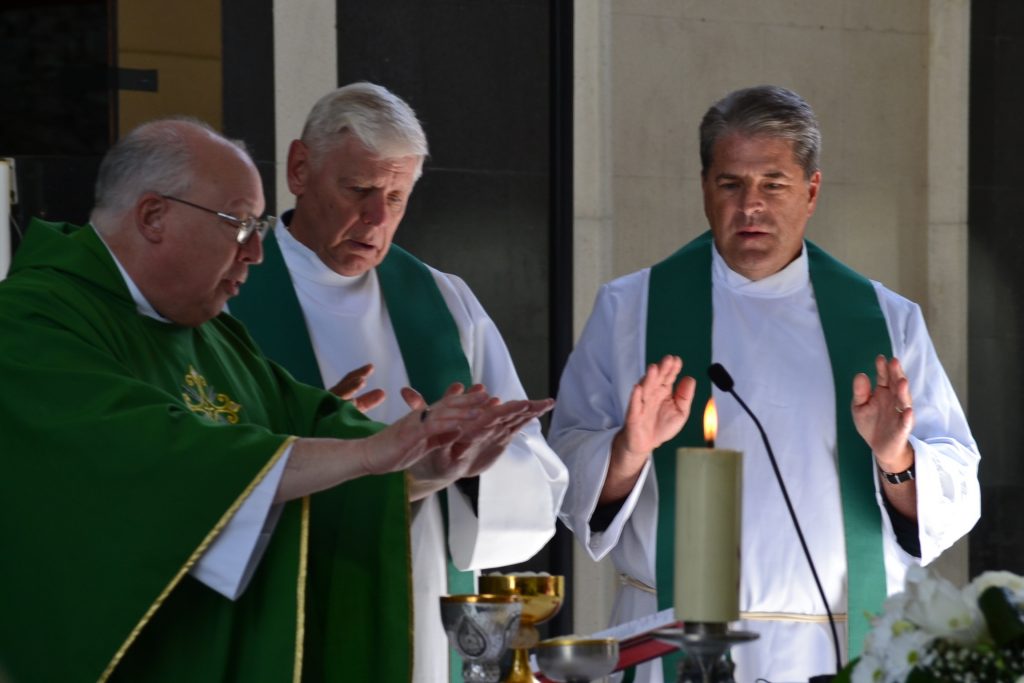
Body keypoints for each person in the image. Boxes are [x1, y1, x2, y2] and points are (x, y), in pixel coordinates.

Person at [0, 118, 538, 682]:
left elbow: (319, 433)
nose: (257, 252)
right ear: (153, 216)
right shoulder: (33, 323)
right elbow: (155, 455)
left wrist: (424, 465)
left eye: (259, 225)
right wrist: (370, 454)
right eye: (239, 224)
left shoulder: (208, 334)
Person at [548, 85, 981, 683]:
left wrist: (896, 458)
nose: (750, 206)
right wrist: (627, 450)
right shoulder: (631, 311)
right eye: (730, 184)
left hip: (839, 641)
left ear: (811, 191)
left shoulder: (884, 319)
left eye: (773, 184)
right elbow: (564, 469)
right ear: (705, 188)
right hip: (673, 639)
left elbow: (958, 488)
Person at [228, 82, 569, 682]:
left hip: (421, 591)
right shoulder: (228, 289)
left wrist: (472, 468)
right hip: (284, 593)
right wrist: (309, 434)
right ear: (299, 169)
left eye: (396, 195)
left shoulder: (441, 299)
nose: (376, 218)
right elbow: (194, 459)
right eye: (358, 190)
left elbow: (534, 467)